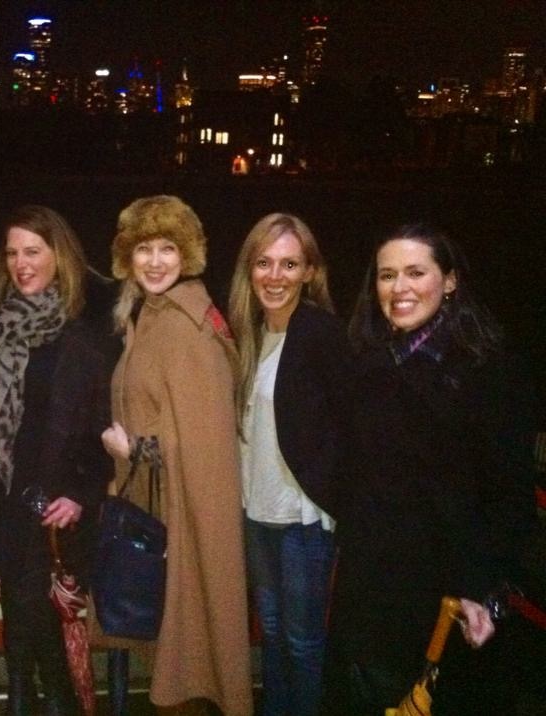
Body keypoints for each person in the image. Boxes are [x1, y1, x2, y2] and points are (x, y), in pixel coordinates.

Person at [323, 224, 539, 715]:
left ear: (450, 281)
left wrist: (484, 589)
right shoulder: (368, 364)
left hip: (445, 597)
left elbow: (510, 497)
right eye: (387, 275)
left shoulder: (489, 372)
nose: (399, 288)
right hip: (369, 587)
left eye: (415, 272)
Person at [100, 195, 254, 715]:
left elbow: (205, 443)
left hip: (186, 515)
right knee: (176, 648)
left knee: (189, 654)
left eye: (168, 248)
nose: (155, 261)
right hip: (160, 506)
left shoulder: (189, 327)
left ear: (187, 256)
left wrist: (133, 448)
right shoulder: (153, 314)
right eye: (144, 249)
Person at [0, 205, 111, 716]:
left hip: (56, 505)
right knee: (21, 606)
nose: (21, 264)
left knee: (38, 610)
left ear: (59, 256)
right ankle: (27, 696)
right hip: (4, 499)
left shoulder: (85, 334)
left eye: (33, 251)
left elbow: (104, 427)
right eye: (12, 253)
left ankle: (42, 700)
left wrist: (81, 493)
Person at [227, 213, 350, 716]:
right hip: (256, 512)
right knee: (273, 635)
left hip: (303, 518)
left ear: (309, 272)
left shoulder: (321, 333)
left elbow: (350, 424)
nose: (275, 276)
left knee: (302, 641)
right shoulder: (249, 334)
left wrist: (329, 496)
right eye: (264, 263)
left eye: (289, 264)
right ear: (249, 269)